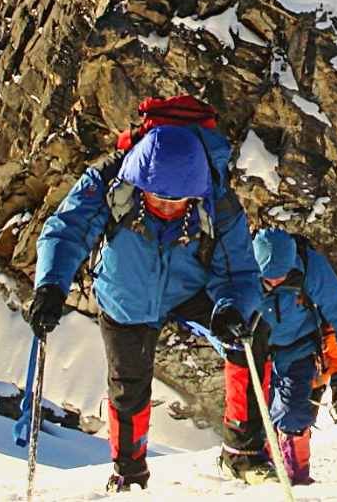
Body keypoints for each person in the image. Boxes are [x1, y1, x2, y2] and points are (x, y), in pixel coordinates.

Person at [28, 116, 273, 492]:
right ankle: (129, 475)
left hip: (191, 288)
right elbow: (67, 231)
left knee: (249, 337)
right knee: (129, 386)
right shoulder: (110, 181)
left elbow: (238, 271)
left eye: (180, 201)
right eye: (159, 198)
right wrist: (50, 285)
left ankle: (243, 454)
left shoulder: (216, 200)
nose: (170, 208)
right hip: (127, 293)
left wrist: (230, 308)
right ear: (141, 183)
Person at [250, 228, 337, 484]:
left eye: (281, 277)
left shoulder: (311, 266)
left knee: (294, 413)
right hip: (255, 349)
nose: (275, 284)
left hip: (299, 346)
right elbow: (218, 312)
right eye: (268, 280)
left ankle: (297, 478)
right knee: (256, 415)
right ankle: (263, 475)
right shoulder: (242, 265)